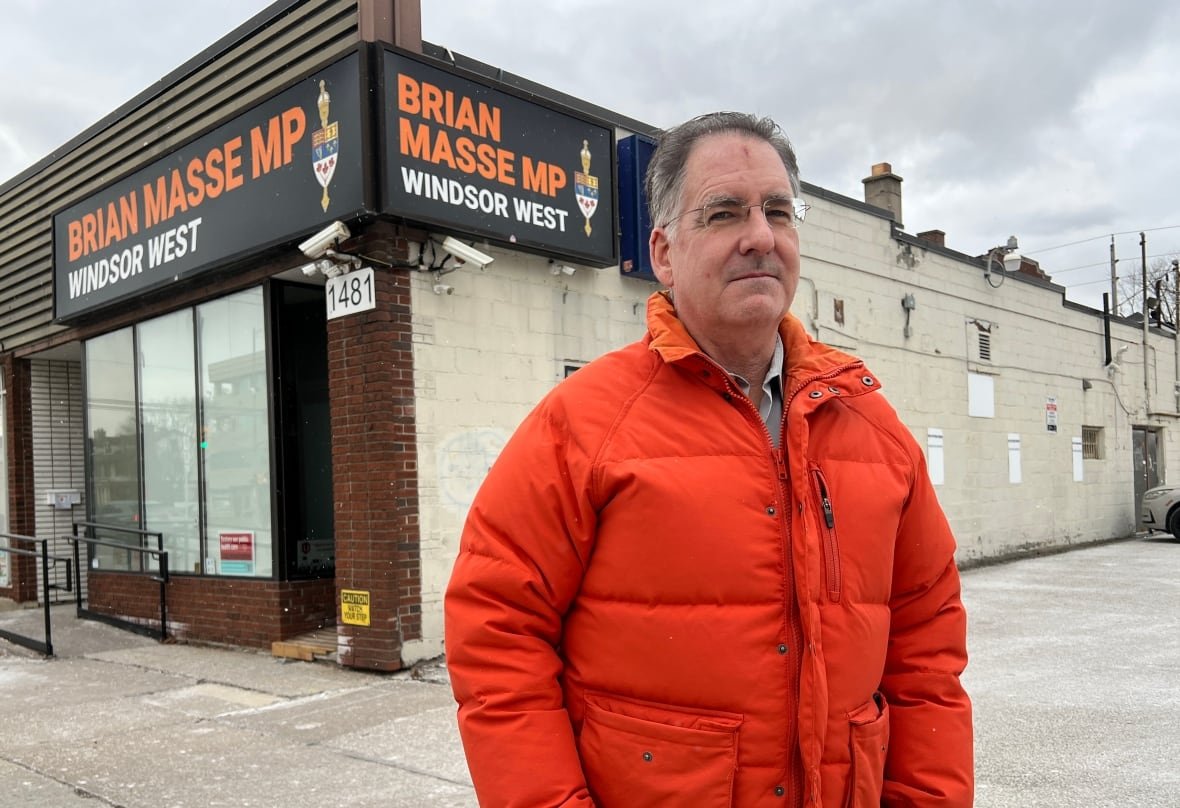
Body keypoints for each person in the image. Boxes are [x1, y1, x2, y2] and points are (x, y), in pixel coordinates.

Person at [444, 111, 972, 807]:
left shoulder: (873, 426)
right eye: (724, 214)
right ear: (664, 253)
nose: (760, 236)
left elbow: (926, 654)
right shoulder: (583, 422)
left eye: (779, 212)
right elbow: (497, 632)